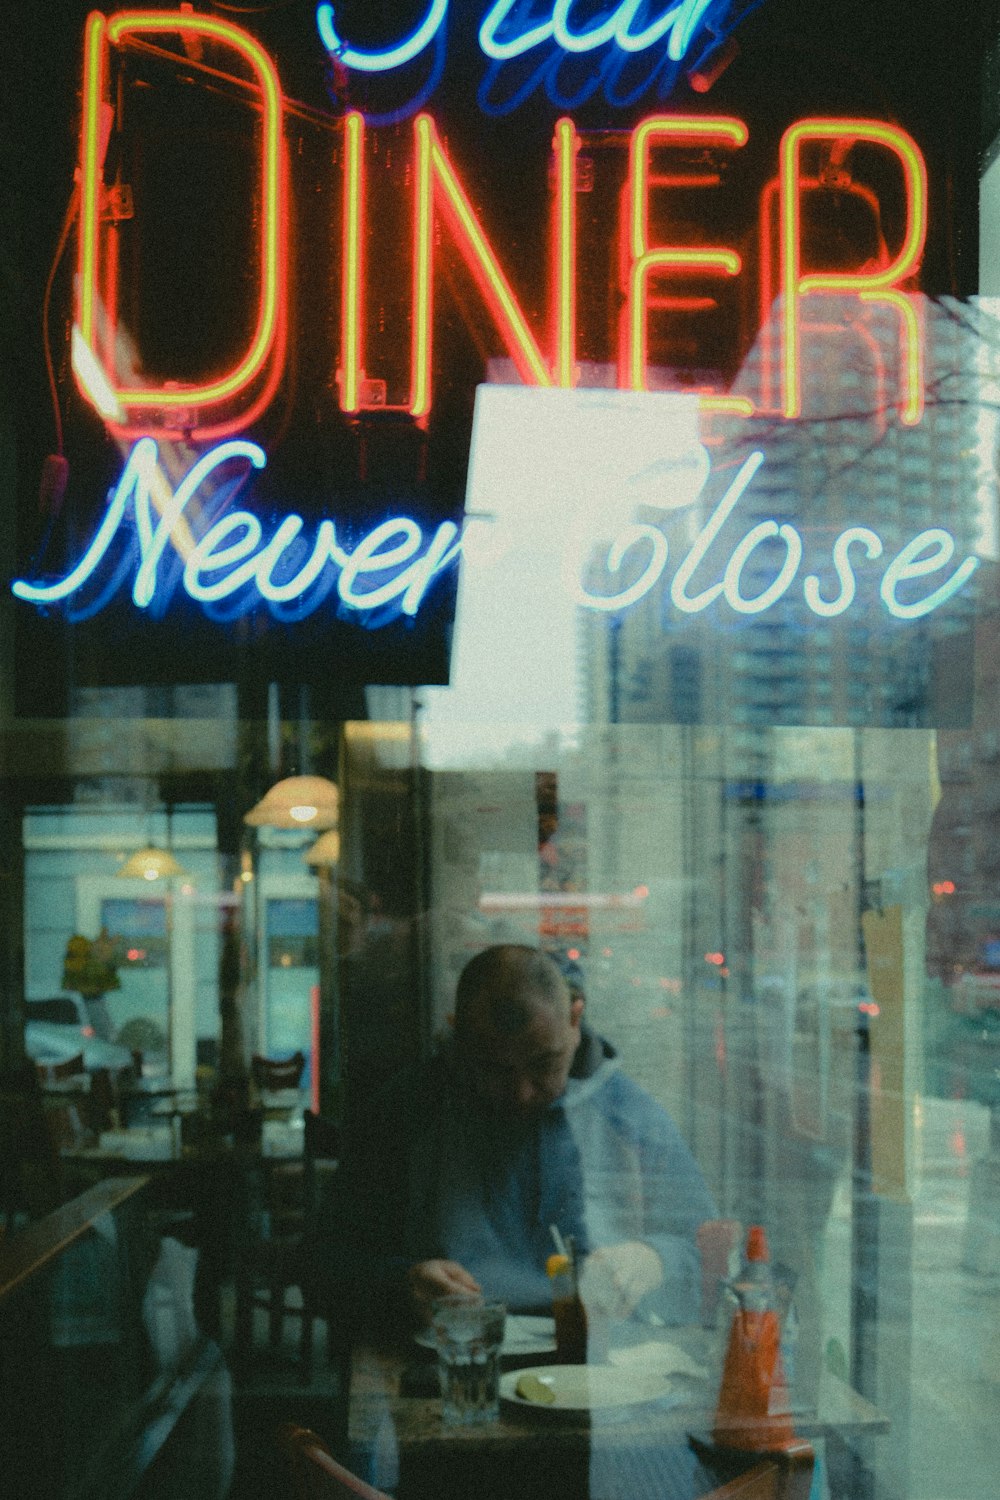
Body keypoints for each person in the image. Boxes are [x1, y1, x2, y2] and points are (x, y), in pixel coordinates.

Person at [327, 944, 716, 1333]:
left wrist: (653, 1258)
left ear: (575, 1020)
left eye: (543, 1064)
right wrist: (400, 1284)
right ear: (457, 1035)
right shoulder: (407, 1111)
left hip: (597, 1358)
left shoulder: (628, 1116)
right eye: (493, 1069)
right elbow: (322, 1262)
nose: (521, 1094)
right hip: (457, 1354)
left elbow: (712, 1255)